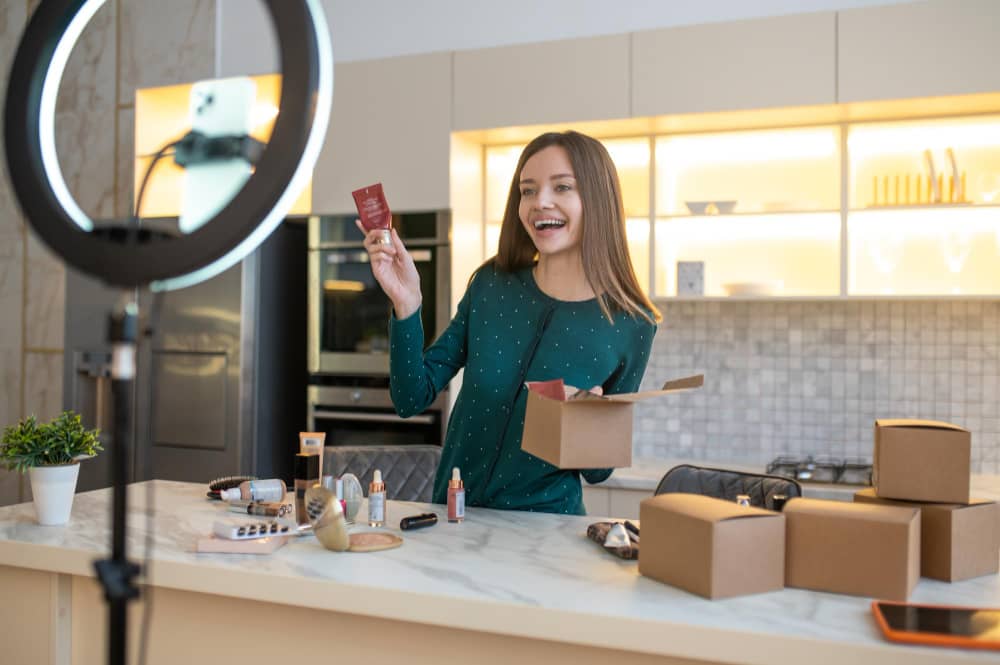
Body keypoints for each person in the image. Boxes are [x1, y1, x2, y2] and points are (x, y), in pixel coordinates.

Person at [357, 130, 660, 514]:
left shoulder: (633, 324)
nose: (540, 202)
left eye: (562, 187)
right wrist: (407, 304)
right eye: (528, 190)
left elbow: (599, 472)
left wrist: (586, 420)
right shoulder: (491, 285)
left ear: (598, 200)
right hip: (457, 521)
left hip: (546, 536)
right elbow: (410, 397)